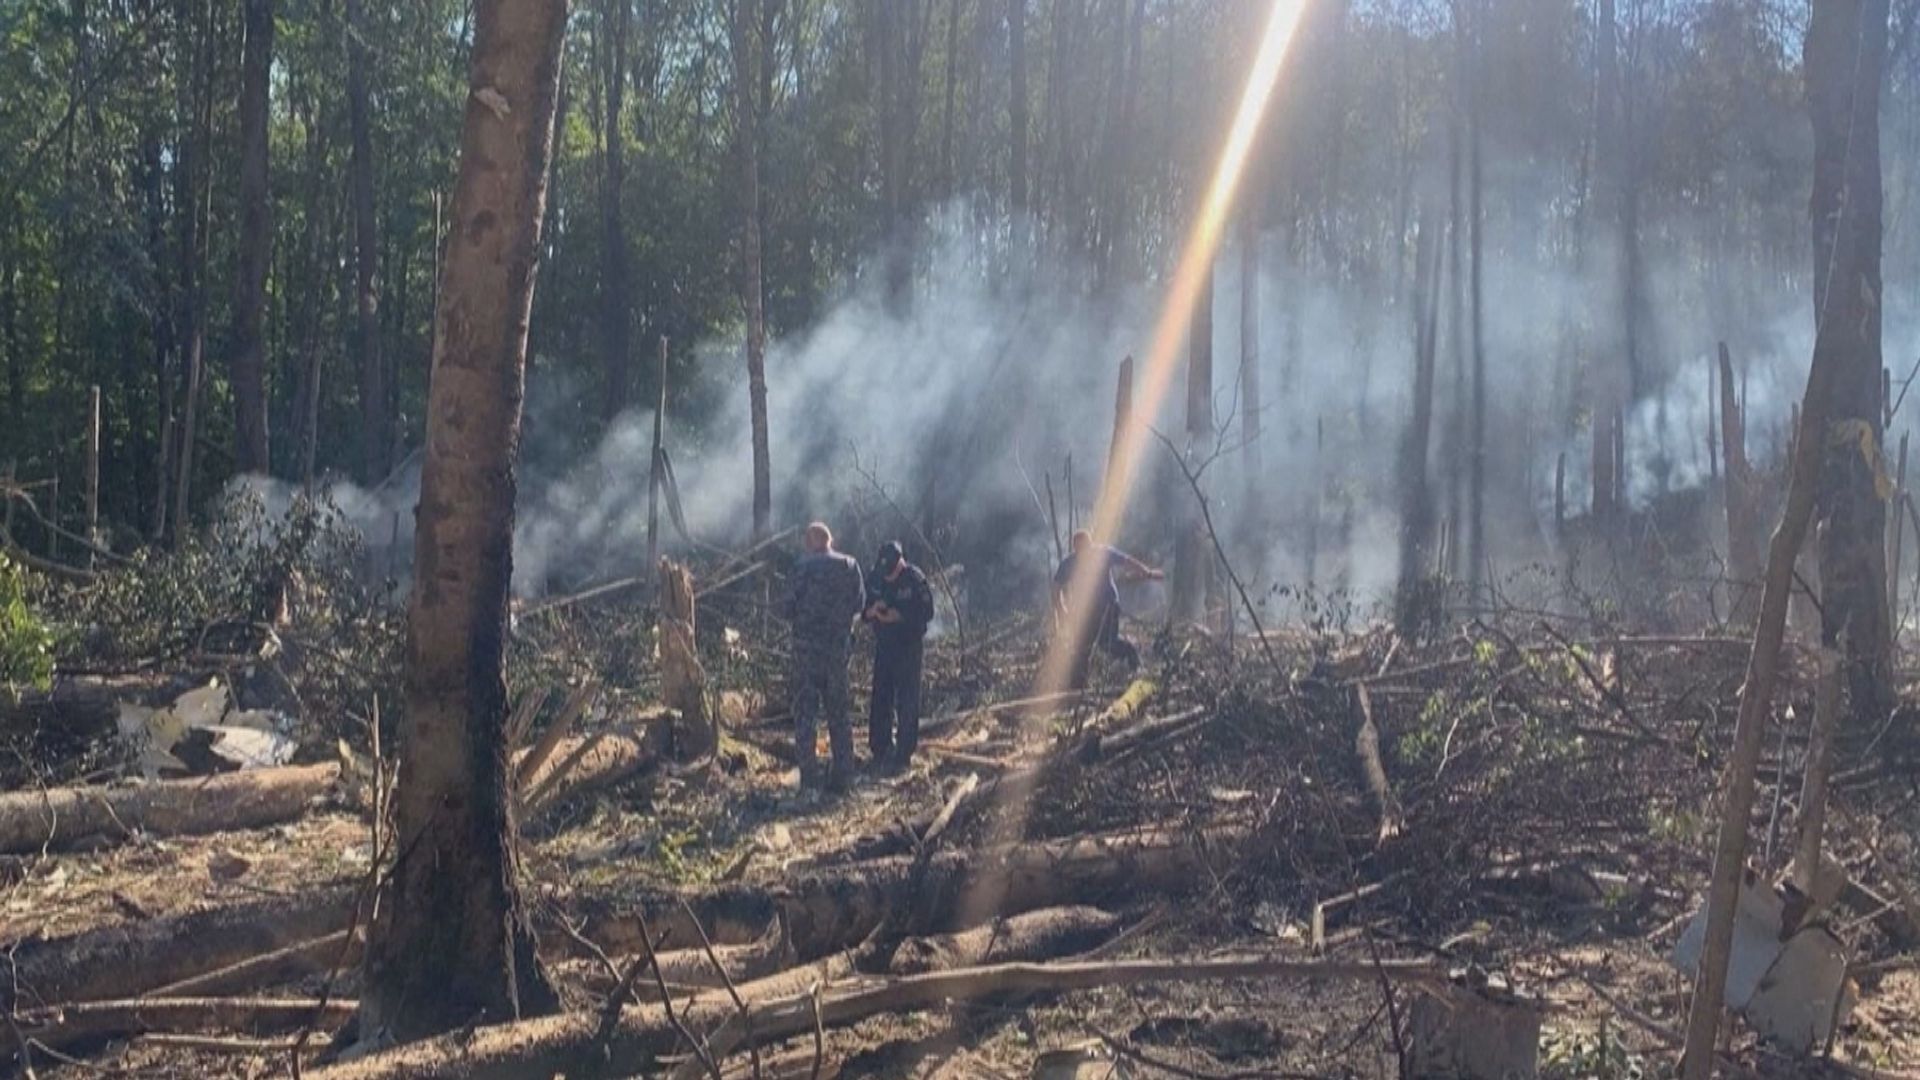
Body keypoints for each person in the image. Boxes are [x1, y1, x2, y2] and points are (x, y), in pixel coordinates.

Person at [782, 522, 866, 792]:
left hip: (806, 653)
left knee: (805, 715)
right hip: (836, 653)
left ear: (809, 541)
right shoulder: (849, 566)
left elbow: (786, 608)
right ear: (829, 540)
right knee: (839, 713)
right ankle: (844, 775)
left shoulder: (800, 568)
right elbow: (860, 604)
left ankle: (810, 777)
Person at [1052, 530, 1163, 689]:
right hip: (1086, 611)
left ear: (1091, 545)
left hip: (1108, 605)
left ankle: (1134, 661)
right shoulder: (1069, 563)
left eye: (1087, 548)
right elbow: (1056, 587)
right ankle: (1077, 687)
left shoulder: (1102, 553)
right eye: (1080, 550)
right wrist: (1061, 609)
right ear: (1075, 549)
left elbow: (1127, 561)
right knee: (1082, 647)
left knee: (1108, 643)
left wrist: (1148, 573)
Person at [863, 541, 935, 773]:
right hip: (884, 646)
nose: (889, 576)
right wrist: (872, 612)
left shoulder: (914, 579)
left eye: (892, 571)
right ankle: (880, 748)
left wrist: (900, 615)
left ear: (901, 562)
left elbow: (927, 612)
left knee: (907, 700)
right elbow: (860, 608)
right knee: (881, 696)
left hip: (908, 647)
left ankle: (904, 753)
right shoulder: (874, 578)